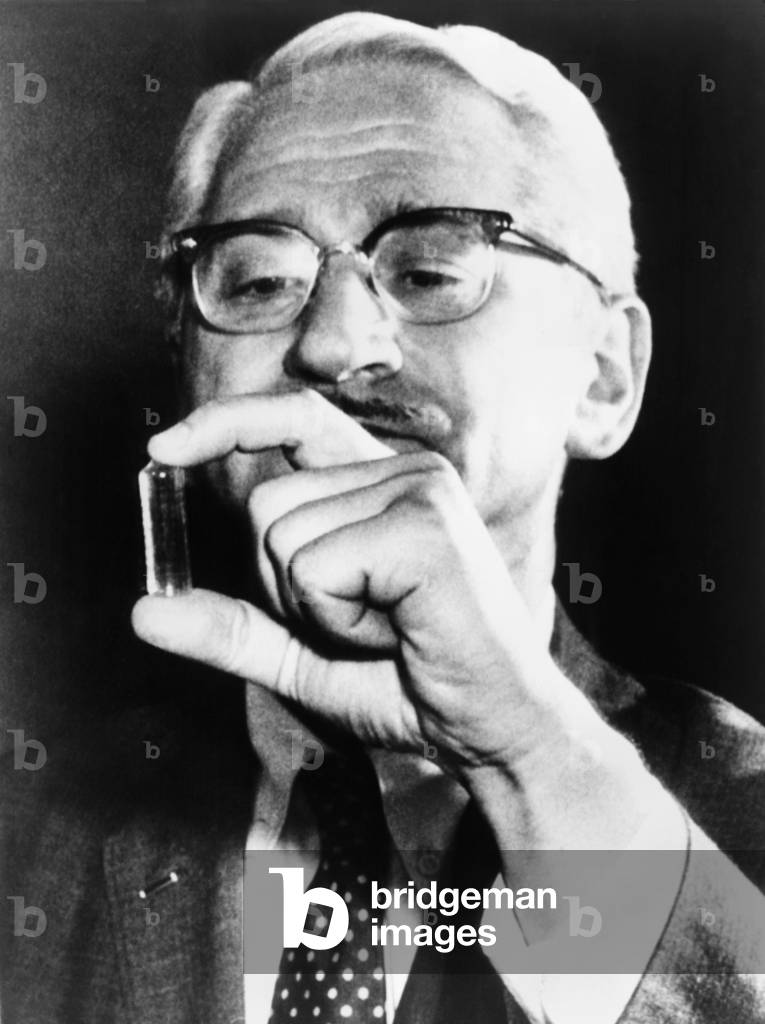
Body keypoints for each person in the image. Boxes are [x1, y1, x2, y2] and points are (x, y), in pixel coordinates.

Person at [3, 12, 764, 1024]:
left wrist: (525, 748)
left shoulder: (739, 803)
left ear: (607, 375)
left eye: (429, 271)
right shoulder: (36, 819)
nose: (332, 345)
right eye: (261, 279)